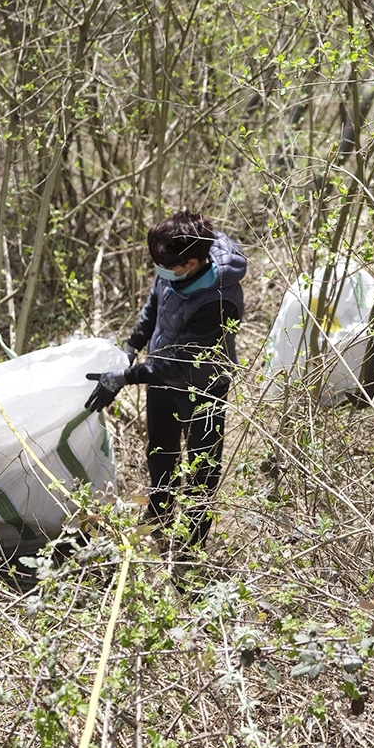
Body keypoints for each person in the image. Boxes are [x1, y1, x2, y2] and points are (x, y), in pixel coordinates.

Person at [85, 210, 246, 552]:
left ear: (190, 263)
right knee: (160, 450)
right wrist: (131, 348)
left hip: (203, 385)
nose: (159, 271)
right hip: (160, 376)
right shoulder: (171, 271)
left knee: (202, 463)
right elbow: (154, 307)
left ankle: (191, 540)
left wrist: (125, 378)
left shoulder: (220, 300)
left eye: (166, 266)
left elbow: (181, 363)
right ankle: (160, 511)